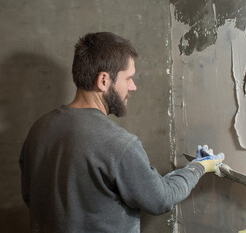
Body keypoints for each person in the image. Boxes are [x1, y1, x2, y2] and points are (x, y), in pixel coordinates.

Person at [19, 32, 223, 233]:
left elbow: (31, 197)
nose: (133, 87)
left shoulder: (39, 129)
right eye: (128, 78)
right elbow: (161, 199)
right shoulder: (118, 144)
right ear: (104, 81)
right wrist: (197, 168)